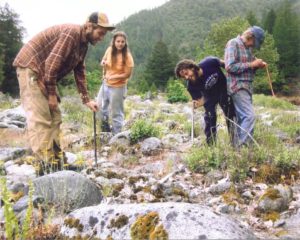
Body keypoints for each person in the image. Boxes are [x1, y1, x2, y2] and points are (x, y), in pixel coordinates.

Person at [13, 12, 115, 173]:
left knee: (55, 117)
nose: (101, 37)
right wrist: (52, 95)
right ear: (89, 26)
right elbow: (52, 65)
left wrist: (86, 99)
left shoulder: (83, 44)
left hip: (42, 73)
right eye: (100, 33)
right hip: (30, 68)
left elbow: (79, 71)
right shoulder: (72, 33)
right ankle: (45, 166)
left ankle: (57, 162)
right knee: (41, 117)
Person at [175, 56, 236, 145]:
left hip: (223, 92)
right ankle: (211, 146)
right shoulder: (191, 86)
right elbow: (199, 101)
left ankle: (235, 141)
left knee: (230, 116)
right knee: (210, 118)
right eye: (184, 77)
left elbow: (228, 66)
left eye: (186, 73)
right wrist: (198, 103)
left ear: (192, 67)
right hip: (209, 98)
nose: (187, 77)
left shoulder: (209, 62)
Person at [224, 26, 266, 147]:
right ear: (250, 36)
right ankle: (244, 148)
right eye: (254, 42)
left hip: (247, 87)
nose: (253, 45)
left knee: (242, 118)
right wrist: (252, 63)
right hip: (237, 86)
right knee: (249, 116)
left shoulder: (248, 49)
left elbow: (248, 70)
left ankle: (238, 147)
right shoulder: (233, 43)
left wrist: (257, 66)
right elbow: (229, 67)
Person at [96, 31, 134, 134]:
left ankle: (117, 136)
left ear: (125, 43)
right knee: (100, 107)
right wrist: (103, 63)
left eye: (122, 41)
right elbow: (103, 60)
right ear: (114, 41)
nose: (120, 43)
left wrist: (114, 76)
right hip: (105, 84)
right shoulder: (109, 50)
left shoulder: (127, 56)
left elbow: (127, 74)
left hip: (118, 87)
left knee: (116, 112)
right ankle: (105, 130)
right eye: (118, 41)